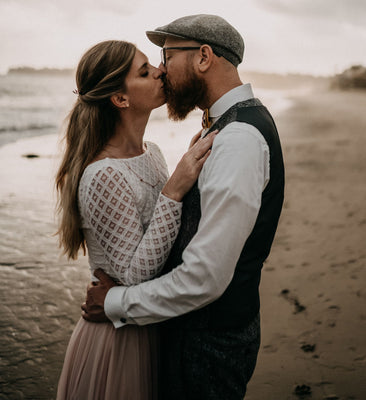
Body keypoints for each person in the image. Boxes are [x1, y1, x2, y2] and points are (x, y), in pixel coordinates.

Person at [82, 14, 285, 400]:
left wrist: (115, 301)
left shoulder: (238, 139)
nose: (162, 69)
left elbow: (204, 277)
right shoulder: (223, 127)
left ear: (203, 57)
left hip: (208, 342)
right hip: (192, 332)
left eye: (167, 54)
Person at [55, 39, 216, 400]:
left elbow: (164, 233)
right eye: (145, 71)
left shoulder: (152, 153)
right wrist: (174, 190)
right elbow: (133, 275)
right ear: (120, 99)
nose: (161, 70)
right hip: (117, 338)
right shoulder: (104, 174)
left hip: (144, 321)